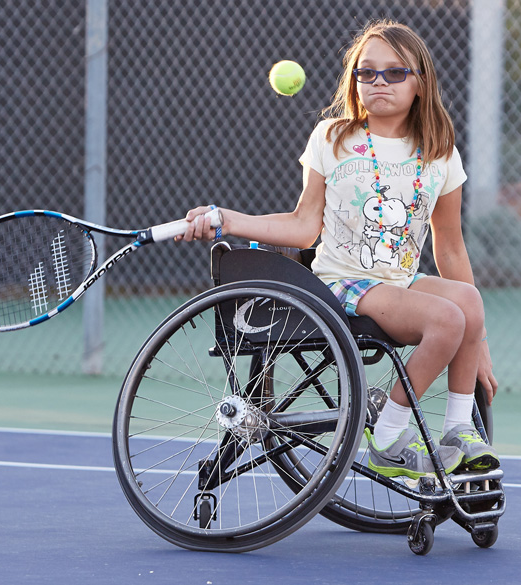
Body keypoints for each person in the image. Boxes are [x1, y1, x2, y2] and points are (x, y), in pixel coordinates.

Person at [178, 20, 499, 479]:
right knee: (447, 319)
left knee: (468, 303)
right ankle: (388, 437)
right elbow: (302, 226)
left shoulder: (441, 152)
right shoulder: (333, 137)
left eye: (394, 72)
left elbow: (449, 244)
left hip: (400, 282)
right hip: (341, 284)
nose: (378, 82)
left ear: (420, 83)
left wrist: (479, 339)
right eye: (366, 73)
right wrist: (226, 218)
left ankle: (458, 430)